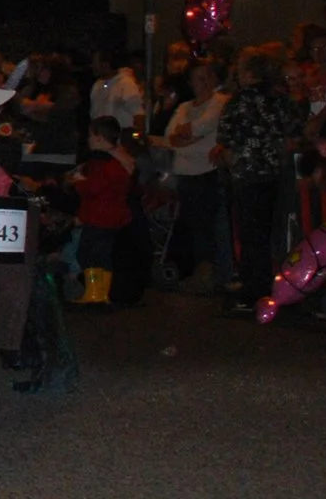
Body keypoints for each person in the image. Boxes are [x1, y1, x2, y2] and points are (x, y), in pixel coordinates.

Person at [215, 46, 300, 315]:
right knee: (271, 232)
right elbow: (292, 131)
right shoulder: (279, 100)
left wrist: (233, 161)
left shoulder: (239, 102)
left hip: (248, 174)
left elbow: (226, 137)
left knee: (251, 235)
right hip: (276, 174)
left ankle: (253, 290)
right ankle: (275, 284)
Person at [153, 61, 230, 293]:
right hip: (185, 173)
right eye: (198, 78)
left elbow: (202, 126)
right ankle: (197, 273)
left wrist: (186, 136)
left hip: (207, 172)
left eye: (207, 77)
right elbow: (171, 136)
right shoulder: (184, 106)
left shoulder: (220, 102)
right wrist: (187, 136)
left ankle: (208, 275)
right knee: (191, 225)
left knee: (206, 226)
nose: (203, 83)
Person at [68, 117, 137, 308]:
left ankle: (95, 294)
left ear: (99, 138)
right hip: (112, 215)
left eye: (91, 136)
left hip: (99, 216)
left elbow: (94, 188)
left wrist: (78, 183)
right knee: (101, 255)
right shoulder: (122, 161)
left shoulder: (101, 162)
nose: (88, 140)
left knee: (90, 255)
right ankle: (99, 294)